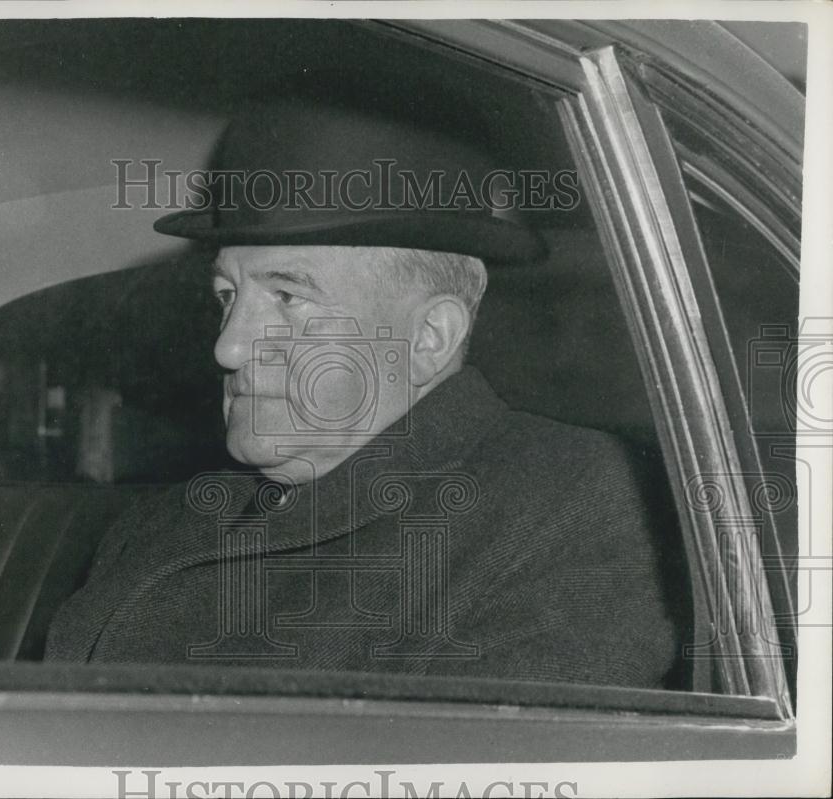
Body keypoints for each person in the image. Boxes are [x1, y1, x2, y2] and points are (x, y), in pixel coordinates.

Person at [44, 96, 685, 688]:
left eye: (288, 298)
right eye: (227, 297)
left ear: (430, 336)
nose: (229, 348)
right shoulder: (158, 524)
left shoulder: (570, 504)